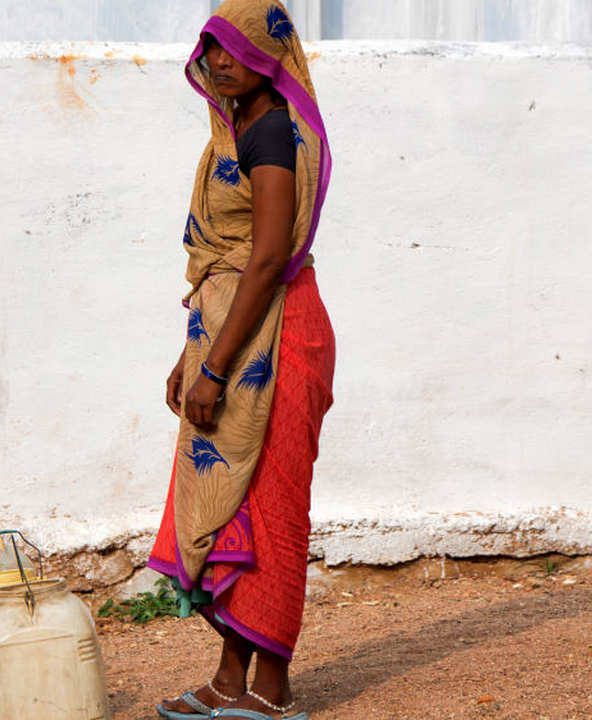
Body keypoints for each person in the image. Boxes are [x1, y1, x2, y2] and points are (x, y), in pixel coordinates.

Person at [146, 2, 335, 719]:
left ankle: (274, 689)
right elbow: (226, 270)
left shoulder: (273, 136)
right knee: (225, 514)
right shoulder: (236, 131)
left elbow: (264, 263)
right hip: (230, 331)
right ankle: (229, 681)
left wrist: (217, 370)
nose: (217, 60)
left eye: (231, 49)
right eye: (209, 48)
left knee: (272, 507)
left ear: (267, 54)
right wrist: (190, 355)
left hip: (280, 338)